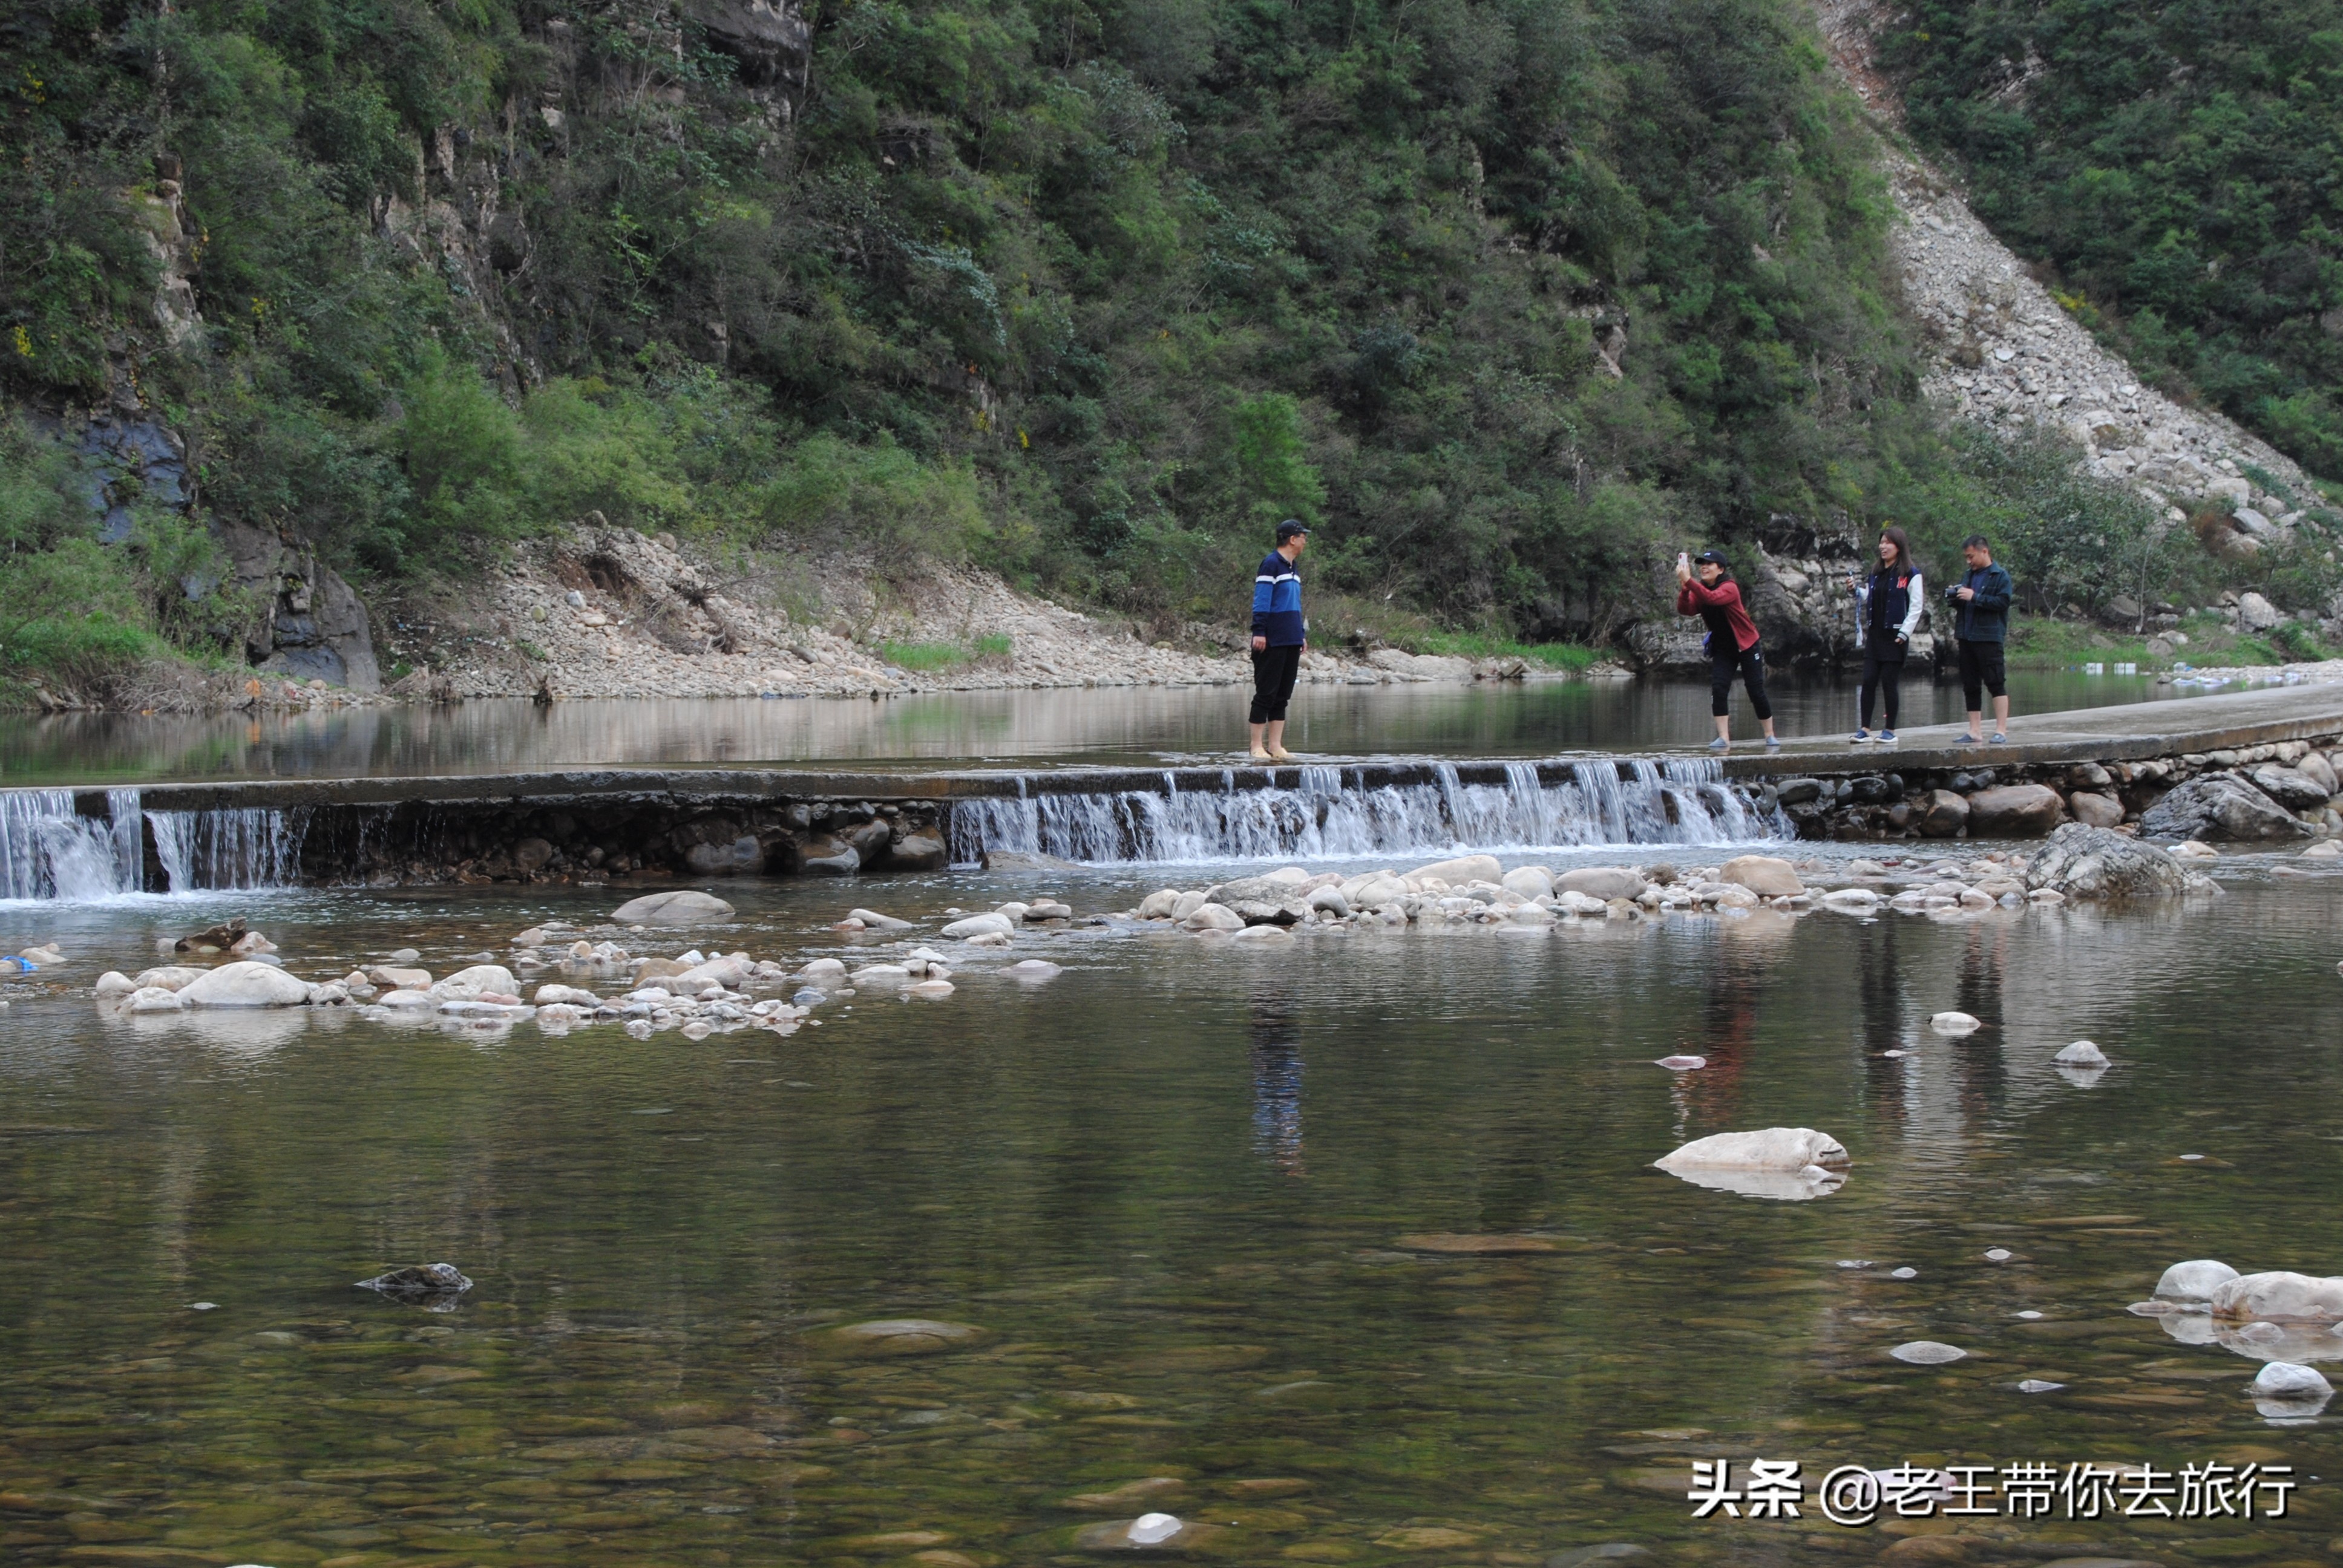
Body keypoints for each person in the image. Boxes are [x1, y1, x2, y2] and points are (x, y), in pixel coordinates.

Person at [1674, 548, 1780, 751]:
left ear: (1721, 569)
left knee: (1755, 690)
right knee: (1719, 688)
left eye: (1709, 564)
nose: (1704, 568)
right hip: (1724, 648)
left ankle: (1770, 735)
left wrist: (1690, 583)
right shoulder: (1701, 590)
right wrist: (1685, 589)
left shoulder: (1730, 588)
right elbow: (1686, 610)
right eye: (1701, 565)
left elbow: (1713, 599)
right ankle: (1724, 738)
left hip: (1747, 645)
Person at [1846, 526, 1923, 743]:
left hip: (1895, 636)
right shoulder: (1876, 572)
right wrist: (1855, 591)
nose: (1883, 546)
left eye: (1887, 542)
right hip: (1876, 635)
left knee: (1889, 683)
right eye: (1881, 542)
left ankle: (1890, 730)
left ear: (1898, 546)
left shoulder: (1911, 574)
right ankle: (1865, 729)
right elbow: (1869, 596)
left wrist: (1904, 633)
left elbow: (1916, 606)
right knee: (1868, 680)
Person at [1248, 519, 1309, 760]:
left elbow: (1294, 605)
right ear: (1292, 539)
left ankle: (1276, 745)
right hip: (1272, 638)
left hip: (1291, 637)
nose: (1305, 541)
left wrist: (1301, 635)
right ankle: (1256, 746)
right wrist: (1259, 631)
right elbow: (1261, 600)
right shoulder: (1271, 564)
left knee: (1283, 695)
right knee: (1266, 692)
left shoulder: (1293, 568)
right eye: (1303, 537)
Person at [1948, 534, 2014, 743]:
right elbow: (1964, 601)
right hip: (1966, 636)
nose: (1969, 562)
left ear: (1984, 551)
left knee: (1996, 682)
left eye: (1971, 557)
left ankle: (2001, 730)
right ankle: (1974, 730)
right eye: (1966, 558)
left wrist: (1975, 597)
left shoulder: (2001, 576)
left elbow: (2003, 603)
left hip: (1989, 638)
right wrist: (1955, 597)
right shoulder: (1968, 575)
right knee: (1970, 684)